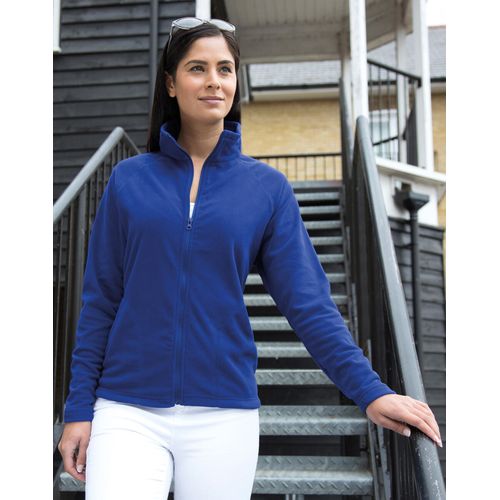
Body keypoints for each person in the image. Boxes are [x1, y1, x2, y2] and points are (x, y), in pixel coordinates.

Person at [57, 17, 442, 500]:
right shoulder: (128, 180)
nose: (213, 81)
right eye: (197, 68)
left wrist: (370, 390)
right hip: (127, 408)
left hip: (224, 414)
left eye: (225, 69)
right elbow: (100, 302)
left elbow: (309, 304)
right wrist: (79, 408)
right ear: (171, 83)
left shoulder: (266, 190)